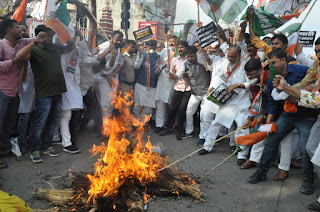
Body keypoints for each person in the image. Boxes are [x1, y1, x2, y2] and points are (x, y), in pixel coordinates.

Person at [247, 48, 317, 196]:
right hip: (287, 114)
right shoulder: (273, 79)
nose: (271, 66)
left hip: (306, 116)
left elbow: (313, 79)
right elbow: (272, 104)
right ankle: (261, 172)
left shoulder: (300, 70)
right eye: (269, 63)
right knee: (272, 138)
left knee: (305, 148)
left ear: (283, 60)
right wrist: (269, 123)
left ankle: (308, 180)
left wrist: (308, 87)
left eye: (274, 63)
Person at [0, 20, 45, 168]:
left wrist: (40, 37)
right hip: (3, 90)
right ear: (9, 30)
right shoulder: (1, 45)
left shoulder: (21, 43)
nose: (20, 30)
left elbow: (33, 40)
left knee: (9, 124)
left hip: (16, 91)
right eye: (16, 28)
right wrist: (14, 61)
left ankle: (5, 150)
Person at [198, 44, 251, 166]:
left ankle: (242, 155)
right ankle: (207, 146)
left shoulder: (245, 65)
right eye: (229, 56)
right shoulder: (225, 63)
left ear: (239, 55)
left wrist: (238, 85)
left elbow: (252, 82)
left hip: (242, 102)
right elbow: (222, 78)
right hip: (228, 101)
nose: (230, 59)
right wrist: (213, 88)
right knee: (216, 123)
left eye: (233, 57)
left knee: (241, 127)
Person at [28, 25, 68, 162]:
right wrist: (34, 42)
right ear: (39, 36)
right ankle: (35, 149)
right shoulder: (33, 49)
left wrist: (73, 34)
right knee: (39, 123)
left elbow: (70, 47)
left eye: (51, 36)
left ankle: (48, 145)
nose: (50, 39)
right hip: (44, 93)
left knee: (53, 121)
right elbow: (19, 56)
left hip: (58, 90)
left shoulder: (55, 48)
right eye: (46, 36)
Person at [56, 28, 89, 154]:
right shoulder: (61, 49)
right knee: (66, 115)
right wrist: (70, 38)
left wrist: (80, 35)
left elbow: (86, 53)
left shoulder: (77, 49)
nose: (73, 40)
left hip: (75, 86)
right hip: (64, 85)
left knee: (73, 114)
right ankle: (67, 143)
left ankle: (66, 138)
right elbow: (68, 47)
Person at [174, 45, 211, 140]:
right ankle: (189, 132)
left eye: (192, 56)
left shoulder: (202, 62)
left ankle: (204, 137)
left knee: (204, 116)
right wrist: (173, 76)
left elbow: (209, 64)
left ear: (196, 56)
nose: (190, 59)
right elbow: (179, 74)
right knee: (189, 113)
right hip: (195, 93)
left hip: (206, 93)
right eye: (188, 56)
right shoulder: (186, 64)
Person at [158, 40, 190, 139]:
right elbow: (170, 74)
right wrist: (170, 75)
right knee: (172, 109)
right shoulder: (175, 60)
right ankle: (168, 127)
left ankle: (180, 131)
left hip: (188, 88)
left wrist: (185, 74)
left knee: (182, 110)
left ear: (186, 49)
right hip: (177, 87)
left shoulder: (190, 60)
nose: (180, 49)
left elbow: (192, 74)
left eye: (182, 47)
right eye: (179, 47)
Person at [95, 31, 123, 120]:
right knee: (105, 106)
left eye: (120, 40)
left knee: (111, 104)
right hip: (103, 79)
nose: (119, 42)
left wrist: (113, 75)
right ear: (112, 37)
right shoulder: (105, 47)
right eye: (117, 40)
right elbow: (96, 65)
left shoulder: (118, 48)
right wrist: (106, 76)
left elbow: (117, 64)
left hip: (113, 79)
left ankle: (109, 128)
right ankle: (105, 130)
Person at [17, 23, 36, 155]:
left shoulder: (33, 48)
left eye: (25, 30)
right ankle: (20, 143)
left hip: (32, 89)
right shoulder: (13, 49)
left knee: (29, 116)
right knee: (21, 117)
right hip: (16, 88)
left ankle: (26, 140)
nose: (23, 33)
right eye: (20, 31)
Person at [133, 40, 160, 124]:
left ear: (156, 47)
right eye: (150, 45)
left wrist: (159, 68)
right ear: (147, 46)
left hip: (152, 86)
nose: (152, 47)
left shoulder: (157, 56)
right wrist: (140, 55)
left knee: (148, 108)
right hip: (140, 85)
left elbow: (160, 65)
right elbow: (136, 66)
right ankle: (135, 124)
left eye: (153, 45)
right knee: (136, 107)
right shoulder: (142, 55)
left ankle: (143, 124)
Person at [155, 32, 177, 133]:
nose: (172, 43)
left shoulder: (178, 53)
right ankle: (159, 124)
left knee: (171, 104)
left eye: (174, 41)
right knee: (160, 102)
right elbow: (159, 63)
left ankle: (170, 125)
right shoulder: (164, 51)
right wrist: (158, 68)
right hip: (163, 79)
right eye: (170, 41)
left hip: (173, 80)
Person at [117, 40, 143, 111]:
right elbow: (119, 66)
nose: (133, 48)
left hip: (133, 85)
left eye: (134, 47)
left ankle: (129, 120)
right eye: (132, 47)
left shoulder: (136, 57)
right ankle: (126, 121)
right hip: (124, 85)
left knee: (132, 104)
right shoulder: (123, 57)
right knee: (126, 104)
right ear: (126, 47)